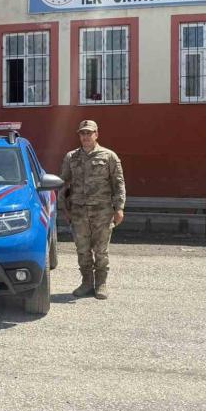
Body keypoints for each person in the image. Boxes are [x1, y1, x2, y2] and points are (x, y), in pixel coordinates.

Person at [59, 120, 126, 300]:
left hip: (102, 211)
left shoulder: (109, 156)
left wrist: (119, 208)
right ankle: (87, 283)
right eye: (83, 133)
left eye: (89, 133)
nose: (86, 136)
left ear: (97, 134)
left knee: (101, 250)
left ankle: (101, 284)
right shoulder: (71, 157)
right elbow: (64, 183)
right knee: (82, 249)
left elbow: (118, 183)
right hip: (78, 212)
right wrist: (64, 208)